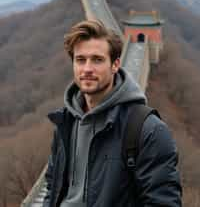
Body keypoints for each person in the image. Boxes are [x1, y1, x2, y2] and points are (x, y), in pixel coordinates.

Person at [43, 20, 182, 207]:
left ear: (115, 64)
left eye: (97, 59)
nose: (87, 69)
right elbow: (53, 187)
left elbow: (163, 202)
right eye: (80, 60)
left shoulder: (147, 129)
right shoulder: (65, 123)